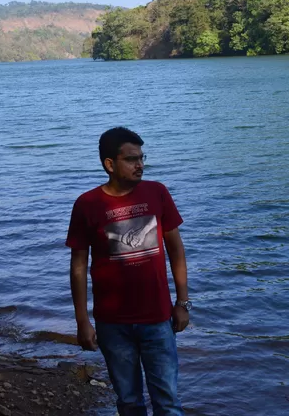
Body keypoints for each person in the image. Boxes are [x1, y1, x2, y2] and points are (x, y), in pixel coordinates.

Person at [67, 127, 190, 416]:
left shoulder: (157, 192)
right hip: (113, 324)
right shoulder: (87, 204)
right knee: (129, 402)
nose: (140, 165)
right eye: (132, 159)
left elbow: (176, 249)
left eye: (142, 158)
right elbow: (78, 266)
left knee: (168, 402)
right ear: (110, 164)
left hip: (158, 319)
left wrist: (182, 302)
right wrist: (82, 321)